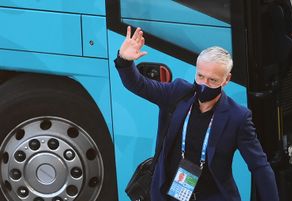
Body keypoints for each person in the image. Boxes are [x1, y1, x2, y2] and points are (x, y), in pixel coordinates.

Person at [114, 26, 279, 201]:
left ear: (226, 80)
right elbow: (138, 85)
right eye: (200, 76)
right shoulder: (177, 93)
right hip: (166, 195)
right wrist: (124, 61)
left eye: (212, 80)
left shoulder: (237, 117)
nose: (204, 84)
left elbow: (259, 166)